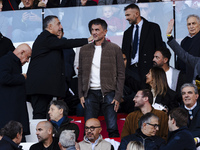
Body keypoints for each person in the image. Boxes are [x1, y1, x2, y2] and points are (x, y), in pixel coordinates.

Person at [26, 15, 91, 119]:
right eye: (58, 24)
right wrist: (87, 40)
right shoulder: (46, 37)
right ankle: (38, 134)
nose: (60, 27)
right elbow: (66, 43)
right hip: (40, 88)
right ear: (50, 26)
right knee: (40, 114)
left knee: (45, 114)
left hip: (44, 87)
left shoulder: (48, 39)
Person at [78, 18, 125, 137]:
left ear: (105, 31)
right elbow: (81, 74)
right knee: (89, 128)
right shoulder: (84, 50)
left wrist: (118, 96)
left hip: (109, 92)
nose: (94, 32)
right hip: (90, 92)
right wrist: (81, 94)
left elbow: (121, 74)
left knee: (112, 126)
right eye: (92, 30)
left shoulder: (115, 48)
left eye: (97, 30)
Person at [122, 3, 163, 89]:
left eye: (128, 15)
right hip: (131, 71)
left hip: (148, 70)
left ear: (137, 14)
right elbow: (124, 53)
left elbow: (159, 48)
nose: (126, 18)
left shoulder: (153, 27)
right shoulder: (127, 33)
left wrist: (156, 68)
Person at [0, 43, 31, 137]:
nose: (28, 60)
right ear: (22, 52)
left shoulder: (12, 61)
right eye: (27, 57)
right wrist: (22, 77)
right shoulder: (6, 60)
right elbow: (3, 78)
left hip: (14, 110)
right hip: (9, 111)